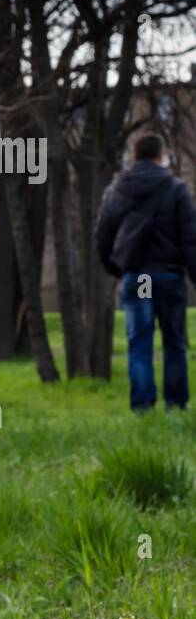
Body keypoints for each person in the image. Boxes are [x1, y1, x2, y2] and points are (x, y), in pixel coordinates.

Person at [96, 132, 196, 411]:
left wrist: (116, 268)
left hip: (138, 277)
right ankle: (176, 405)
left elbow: (103, 236)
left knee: (139, 342)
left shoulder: (118, 189)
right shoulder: (176, 189)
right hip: (168, 275)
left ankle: (143, 407)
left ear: (135, 155)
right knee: (174, 341)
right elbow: (190, 238)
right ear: (160, 155)